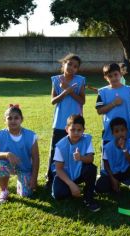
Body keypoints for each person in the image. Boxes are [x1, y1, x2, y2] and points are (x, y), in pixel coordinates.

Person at [46, 53, 86, 188]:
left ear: (77, 69)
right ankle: (50, 179)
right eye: (69, 64)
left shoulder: (80, 80)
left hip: (75, 124)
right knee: (55, 151)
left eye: (75, 66)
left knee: (74, 151)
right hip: (59, 123)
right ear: (63, 64)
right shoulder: (56, 80)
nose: (71, 68)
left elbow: (82, 100)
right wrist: (64, 92)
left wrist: (70, 91)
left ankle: (75, 177)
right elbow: (53, 101)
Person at [0, 105, 39, 205]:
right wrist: (7, 154)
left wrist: (34, 178)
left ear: (22, 119)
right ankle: (3, 191)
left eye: (16, 118)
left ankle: (21, 180)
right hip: (8, 166)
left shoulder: (31, 135)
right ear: (5, 120)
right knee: (1, 166)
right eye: (9, 118)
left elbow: (36, 158)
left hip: (24, 168)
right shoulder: (0, 135)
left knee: (26, 194)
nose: (13, 121)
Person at [51, 115, 100, 212]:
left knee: (91, 169)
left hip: (80, 172)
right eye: (73, 130)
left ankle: (88, 197)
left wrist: (81, 157)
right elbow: (59, 169)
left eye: (79, 130)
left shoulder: (86, 140)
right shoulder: (60, 145)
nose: (76, 133)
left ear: (83, 130)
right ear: (66, 129)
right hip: (65, 175)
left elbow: (90, 159)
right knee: (58, 194)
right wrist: (71, 185)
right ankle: (74, 189)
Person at [95, 117, 130, 201]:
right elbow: (106, 164)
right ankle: (114, 185)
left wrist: (124, 148)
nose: (120, 133)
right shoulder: (107, 147)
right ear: (113, 133)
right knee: (100, 187)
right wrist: (113, 179)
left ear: (126, 131)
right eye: (117, 131)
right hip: (113, 173)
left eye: (122, 130)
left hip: (125, 171)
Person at [96, 63, 130, 145]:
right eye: (110, 76)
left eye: (115, 74)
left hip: (126, 132)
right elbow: (99, 111)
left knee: (126, 155)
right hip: (109, 132)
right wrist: (113, 103)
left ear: (120, 74)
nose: (113, 78)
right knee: (108, 156)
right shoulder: (102, 92)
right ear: (106, 78)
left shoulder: (129, 90)